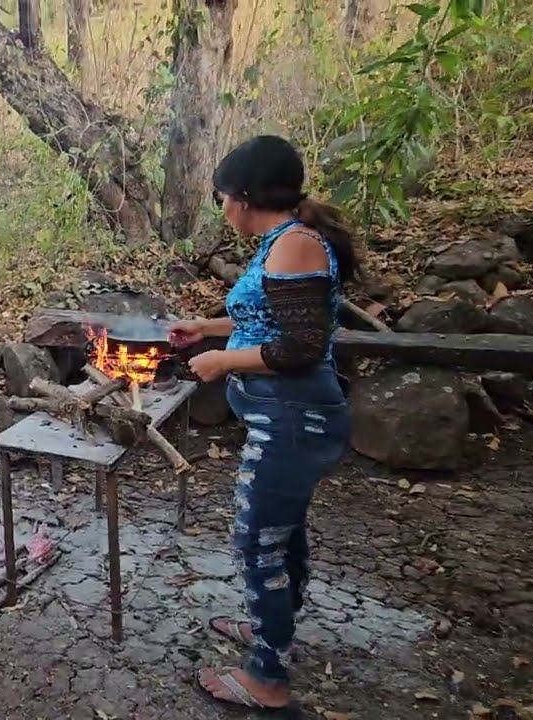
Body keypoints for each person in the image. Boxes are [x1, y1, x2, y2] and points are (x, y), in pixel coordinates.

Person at [169, 135, 356, 710]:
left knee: (257, 544)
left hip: (293, 417)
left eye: (221, 196)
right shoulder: (283, 239)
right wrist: (207, 327)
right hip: (284, 416)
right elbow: (266, 319)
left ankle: (268, 681)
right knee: (281, 534)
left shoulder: (295, 245)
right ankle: (273, 628)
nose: (221, 207)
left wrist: (223, 362)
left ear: (245, 197)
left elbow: (300, 345)